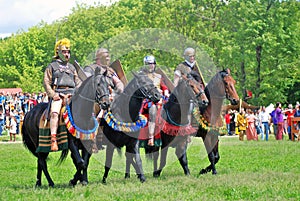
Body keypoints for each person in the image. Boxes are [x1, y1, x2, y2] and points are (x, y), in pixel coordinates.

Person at [43, 38, 82, 151]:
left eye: (68, 52)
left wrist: (76, 93)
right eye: (64, 52)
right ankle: (53, 139)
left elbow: (78, 82)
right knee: (54, 113)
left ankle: (89, 138)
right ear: (58, 52)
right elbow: (46, 82)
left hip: (72, 95)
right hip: (58, 95)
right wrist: (53, 94)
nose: (67, 54)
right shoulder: (52, 66)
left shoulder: (72, 68)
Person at [141, 55, 169, 146]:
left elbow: (164, 87)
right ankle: (151, 137)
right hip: (147, 100)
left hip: (160, 98)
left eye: (153, 63)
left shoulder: (158, 76)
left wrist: (166, 92)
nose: (151, 65)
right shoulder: (142, 76)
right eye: (149, 64)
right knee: (152, 110)